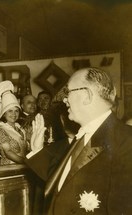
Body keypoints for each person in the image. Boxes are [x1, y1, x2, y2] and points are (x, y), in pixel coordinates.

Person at [26, 67, 132, 214]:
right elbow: (65, 181)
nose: (64, 99)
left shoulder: (126, 141)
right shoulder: (82, 136)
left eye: (68, 92)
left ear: (87, 95)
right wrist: (37, 149)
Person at [0, 81, 28, 164]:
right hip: (9, 169)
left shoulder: (20, 128)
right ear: (4, 114)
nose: (14, 114)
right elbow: (8, 152)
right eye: (10, 111)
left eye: (16, 111)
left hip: (23, 168)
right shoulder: (0, 130)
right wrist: (27, 163)